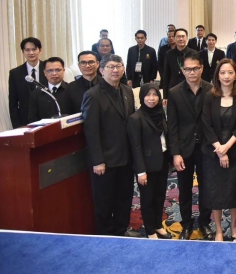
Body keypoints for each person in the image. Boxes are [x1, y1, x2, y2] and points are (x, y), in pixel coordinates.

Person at [81, 55, 136, 236]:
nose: (115, 70)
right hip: (105, 160)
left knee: (124, 197)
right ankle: (106, 236)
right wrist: (97, 160)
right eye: (110, 67)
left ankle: (121, 231)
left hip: (126, 157)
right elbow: (91, 131)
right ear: (102, 70)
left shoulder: (127, 91)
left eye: (118, 66)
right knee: (104, 202)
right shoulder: (93, 95)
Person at [201, 59, 236, 242]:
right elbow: (206, 125)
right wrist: (219, 149)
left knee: (232, 191)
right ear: (217, 75)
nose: (226, 76)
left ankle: (233, 225)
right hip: (212, 153)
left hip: (235, 151)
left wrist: (227, 147)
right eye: (222, 72)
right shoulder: (210, 96)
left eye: (230, 72)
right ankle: (218, 229)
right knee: (215, 192)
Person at [167, 54, 214, 240]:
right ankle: (186, 224)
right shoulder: (174, 92)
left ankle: (204, 223)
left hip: (206, 148)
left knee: (206, 188)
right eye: (188, 69)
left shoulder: (211, 90)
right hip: (184, 149)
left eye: (195, 68)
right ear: (183, 70)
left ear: (201, 68)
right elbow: (172, 126)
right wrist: (175, 153)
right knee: (184, 189)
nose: (192, 72)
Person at [127, 83, 172, 239]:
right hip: (146, 166)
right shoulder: (135, 118)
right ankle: (150, 230)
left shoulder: (161, 113)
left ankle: (158, 225)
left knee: (160, 196)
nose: (151, 98)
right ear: (141, 97)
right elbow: (136, 147)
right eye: (148, 95)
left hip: (162, 161)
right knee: (147, 200)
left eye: (155, 95)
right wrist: (141, 171)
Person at [9, 37, 46, 128]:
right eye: (27, 50)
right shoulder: (15, 73)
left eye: (34, 49)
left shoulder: (48, 68)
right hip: (25, 120)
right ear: (23, 51)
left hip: (47, 117)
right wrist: (17, 126)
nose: (31, 53)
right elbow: (13, 102)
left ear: (40, 50)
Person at [161, 28, 198, 104]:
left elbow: (197, 74)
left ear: (187, 38)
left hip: (190, 89)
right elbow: (166, 75)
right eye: (178, 37)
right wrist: (165, 96)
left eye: (183, 36)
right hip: (173, 89)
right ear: (174, 38)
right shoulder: (169, 54)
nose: (181, 39)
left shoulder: (194, 53)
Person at [28, 57, 70, 122]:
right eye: (50, 70)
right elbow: (32, 119)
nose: (54, 73)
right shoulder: (36, 93)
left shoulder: (71, 89)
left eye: (58, 70)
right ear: (44, 72)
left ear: (63, 71)